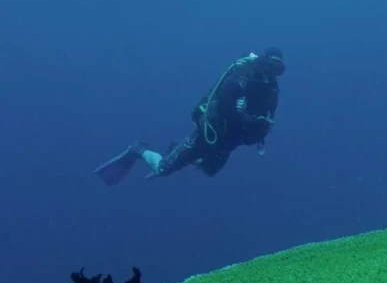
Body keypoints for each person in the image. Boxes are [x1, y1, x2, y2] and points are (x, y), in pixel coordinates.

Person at [94, 48, 286, 185]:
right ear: (261, 62)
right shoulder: (236, 82)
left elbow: (265, 122)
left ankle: (180, 154)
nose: (271, 73)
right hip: (206, 136)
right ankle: (138, 150)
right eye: (270, 65)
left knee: (210, 171)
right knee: (162, 169)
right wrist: (246, 118)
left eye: (277, 69)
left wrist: (260, 125)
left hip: (226, 144)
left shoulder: (271, 93)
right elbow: (225, 113)